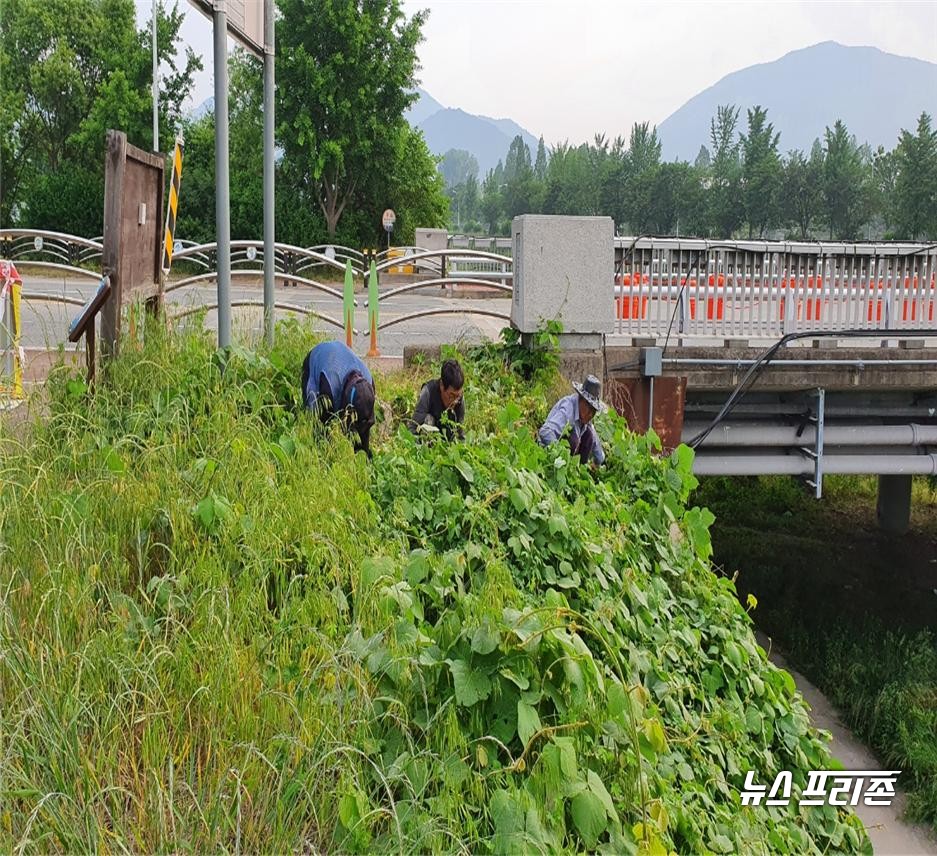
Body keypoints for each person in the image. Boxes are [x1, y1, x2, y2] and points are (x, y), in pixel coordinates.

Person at [301, 341, 376, 457]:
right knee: (315, 425)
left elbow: (364, 430)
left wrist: (363, 454)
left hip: (340, 360)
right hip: (318, 358)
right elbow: (325, 425)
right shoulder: (329, 388)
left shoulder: (370, 383)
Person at [538, 374, 607, 466]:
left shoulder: (585, 418)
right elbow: (545, 431)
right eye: (589, 409)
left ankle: (578, 470)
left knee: (589, 435)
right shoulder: (568, 410)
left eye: (594, 410)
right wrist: (561, 455)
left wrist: (599, 461)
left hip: (567, 460)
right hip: (550, 457)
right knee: (573, 436)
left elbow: (595, 442)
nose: (591, 414)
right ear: (581, 400)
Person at [408, 358, 465, 440]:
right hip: (428, 442)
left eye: (458, 396)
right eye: (451, 396)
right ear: (442, 385)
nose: (455, 401)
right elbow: (413, 428)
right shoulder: (428, 393)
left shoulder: (459, 399)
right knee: (428, 420)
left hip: (446, 443)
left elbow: (460, 432)